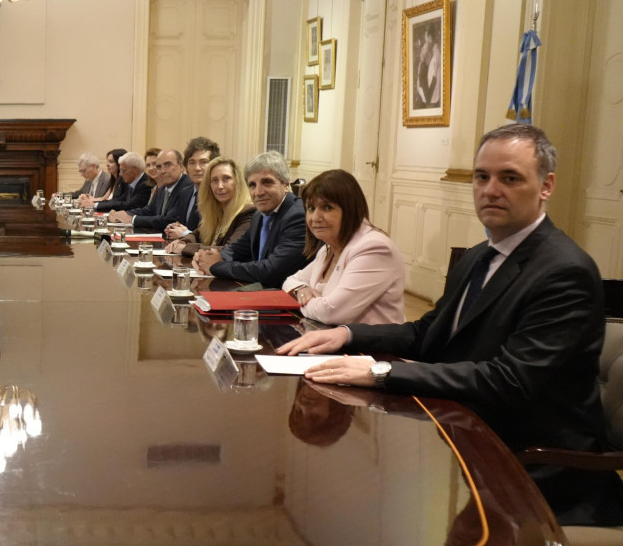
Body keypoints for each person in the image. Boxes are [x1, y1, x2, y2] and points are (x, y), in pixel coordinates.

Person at [279, 124, 621, 524]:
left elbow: (508, 380)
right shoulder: (479, 256)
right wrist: (348, 333)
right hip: (466, 431)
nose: (491, 189)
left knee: (369, 504)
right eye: (481, 176)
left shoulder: (564, 271)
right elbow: (429, 333)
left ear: (546, 186)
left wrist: (379, 372)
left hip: (531, 464)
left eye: (509, 178)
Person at [281, 169, 405, 325]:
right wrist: (301, 290)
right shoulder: (328, 248)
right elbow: (291, 280)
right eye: (311, 208)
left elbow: (332, 313)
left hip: (371, 348)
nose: (315, 218)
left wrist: (301, 303)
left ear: (350, 209)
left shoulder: (374, 248)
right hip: (330, 339)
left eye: (327, 208)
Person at [194, 150, 307, 288]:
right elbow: (236, 250)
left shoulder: (297, 216)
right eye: (252, 185)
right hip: (260, 294)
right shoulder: (259, 215)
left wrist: (216, 266)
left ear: (286, 185)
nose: (258, 192)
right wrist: (207, 257)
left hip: (287, 301)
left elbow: (272, 271)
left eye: (267, 182)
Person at [165, 157, 255, 257]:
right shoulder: (217, 212)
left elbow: (230, 250)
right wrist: (182, 242)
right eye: (214, 180)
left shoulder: (248, 212)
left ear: (238, 182)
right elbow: (196, 234)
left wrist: (186, 248)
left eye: (226, 179)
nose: (220, 186)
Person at [106, 148, 192, 231]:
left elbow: (169, 220)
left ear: (181, 166)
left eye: (168, 165)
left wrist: (132, 219)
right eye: (159, 167)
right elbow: (149, 210)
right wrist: (123, 214)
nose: (162, 171)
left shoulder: (187, 187)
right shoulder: (163, 188)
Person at [164, 137, 221, 242]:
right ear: (185, 167)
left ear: (214, 165)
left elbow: (216, 240)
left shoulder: (219, 195)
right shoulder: (185, 192)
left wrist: (186, 234)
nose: (197, 168)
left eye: (203, 162)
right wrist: (174, 229)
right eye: (192, 162)